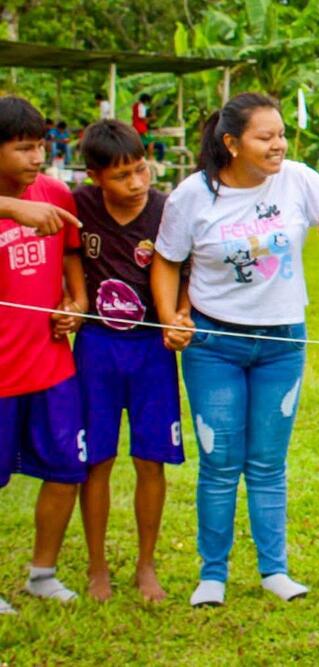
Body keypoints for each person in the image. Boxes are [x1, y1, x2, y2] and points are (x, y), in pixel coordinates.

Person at [151, 92, 319, 607]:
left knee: (269, 462)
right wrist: (169, 316)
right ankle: (213, 574)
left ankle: (275, 570)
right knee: (220, 459)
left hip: (282, 344)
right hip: (214, 344)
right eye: (265, 137)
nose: (279, 145)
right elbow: (166, 260)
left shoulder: (295, 178)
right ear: (231, 143)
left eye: (280, 135)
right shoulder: (192, 197)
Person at [73, 119, 183, 602]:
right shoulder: (76, 206)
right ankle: (97, 566)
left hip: (151, 351)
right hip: (96, 348)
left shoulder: (167, 210)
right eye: (122, 176)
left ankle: (146, 565)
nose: (137, 184)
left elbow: (186, 274)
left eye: (142, 170)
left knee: (150, 459)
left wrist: (180, 314)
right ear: (94, 176)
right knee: (96, 460)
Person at [0, 96, 88, 614]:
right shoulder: (23, 203)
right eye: (24, 148)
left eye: (42, 147)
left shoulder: (55, 193)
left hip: (51, 365)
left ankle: (43, 573)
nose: (38, 159)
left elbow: (71, 261)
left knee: (65, 470)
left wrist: (74, 305)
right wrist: (11, 207)